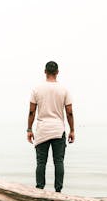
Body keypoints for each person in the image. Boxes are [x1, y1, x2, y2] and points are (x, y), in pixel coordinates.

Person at [27, 61, 74, 193]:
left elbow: (31, 111)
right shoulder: (64, 89)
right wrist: (72, 130)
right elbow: (69, 112)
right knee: (58, 161)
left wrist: (29, 129)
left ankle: (39, 189)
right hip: (58, 130)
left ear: (45, 72)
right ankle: (58, 191)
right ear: (57, 72)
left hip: (42, 130)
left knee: (41, 162)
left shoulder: (36, 89)